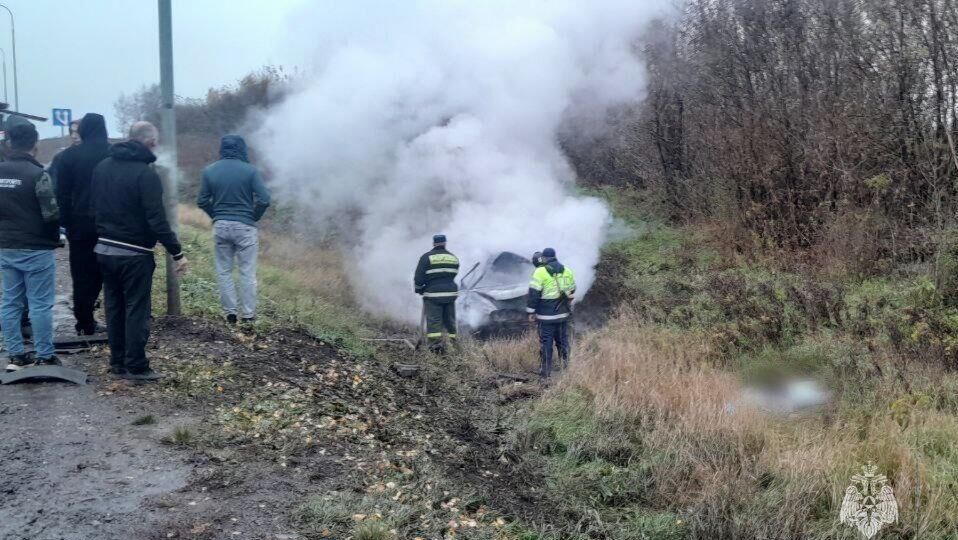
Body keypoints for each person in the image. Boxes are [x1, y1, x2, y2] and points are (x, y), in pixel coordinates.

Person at [91, 121, 188, 381]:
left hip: (104, 249)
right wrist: (177, 252)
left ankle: (117, 363)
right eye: (155, 141)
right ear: (150, 142)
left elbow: (93, 206)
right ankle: (136, 366)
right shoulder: (146, 175)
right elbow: (156, 220)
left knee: (114, 307)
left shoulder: (102, 167)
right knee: (136, 309)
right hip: (134, 254)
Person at [0, 121, 61, 371]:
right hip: (36, 248)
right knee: (39, 303)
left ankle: (15, 355)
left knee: (10, 302)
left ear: (9, 143)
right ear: (35, 145)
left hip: (6, 246)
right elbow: (51, 214)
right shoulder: (38, 174)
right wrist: (54, 238)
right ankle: (45, 355)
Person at [197, 134, 271, 324]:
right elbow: (264, 199)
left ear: (222, 149)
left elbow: (202, 201)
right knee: (247, 271)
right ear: (242, 149)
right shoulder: (251, 171)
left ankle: (230, 314)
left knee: (224, 271)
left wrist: (216, 215)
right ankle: (248, 316)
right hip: (245, 226)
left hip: (221, 226)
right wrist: (253, 216)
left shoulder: (209, 171)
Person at [56, 113, 111, 336]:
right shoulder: (111, 153)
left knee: (81, 274)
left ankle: (84, 322)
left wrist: (65, 223)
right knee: (109, 273)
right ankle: (117, 320)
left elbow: (62, 194)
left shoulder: (68, 156)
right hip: (110, 226)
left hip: (79, 226)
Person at [526, 247, 576, 379]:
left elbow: (533, 294)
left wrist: (531, 312)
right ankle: (566, 370)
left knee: (546, 342)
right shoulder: (566, 270)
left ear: (544, 258)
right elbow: (572, 289)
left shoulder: (540, 272)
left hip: (546, 316)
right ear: (555, 256)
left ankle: (545, 372)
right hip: (563, 315)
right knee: (563, 341)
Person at [414, 234, 459, 353]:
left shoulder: (426, 257)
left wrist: (419, 289)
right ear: (445, 243)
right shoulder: (453, 258)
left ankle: (435, 346)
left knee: (434, 321)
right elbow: (454, 274)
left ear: (434, 243)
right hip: (450, 295)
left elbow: (419, 277)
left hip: (433, 295)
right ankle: (454, 344)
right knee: (450, 320)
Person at [47, 119, 82, 184]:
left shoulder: (96, 156)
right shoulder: (61, 157)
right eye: (71, 132)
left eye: (78, 132)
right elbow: (53, 182)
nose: (73, 136)